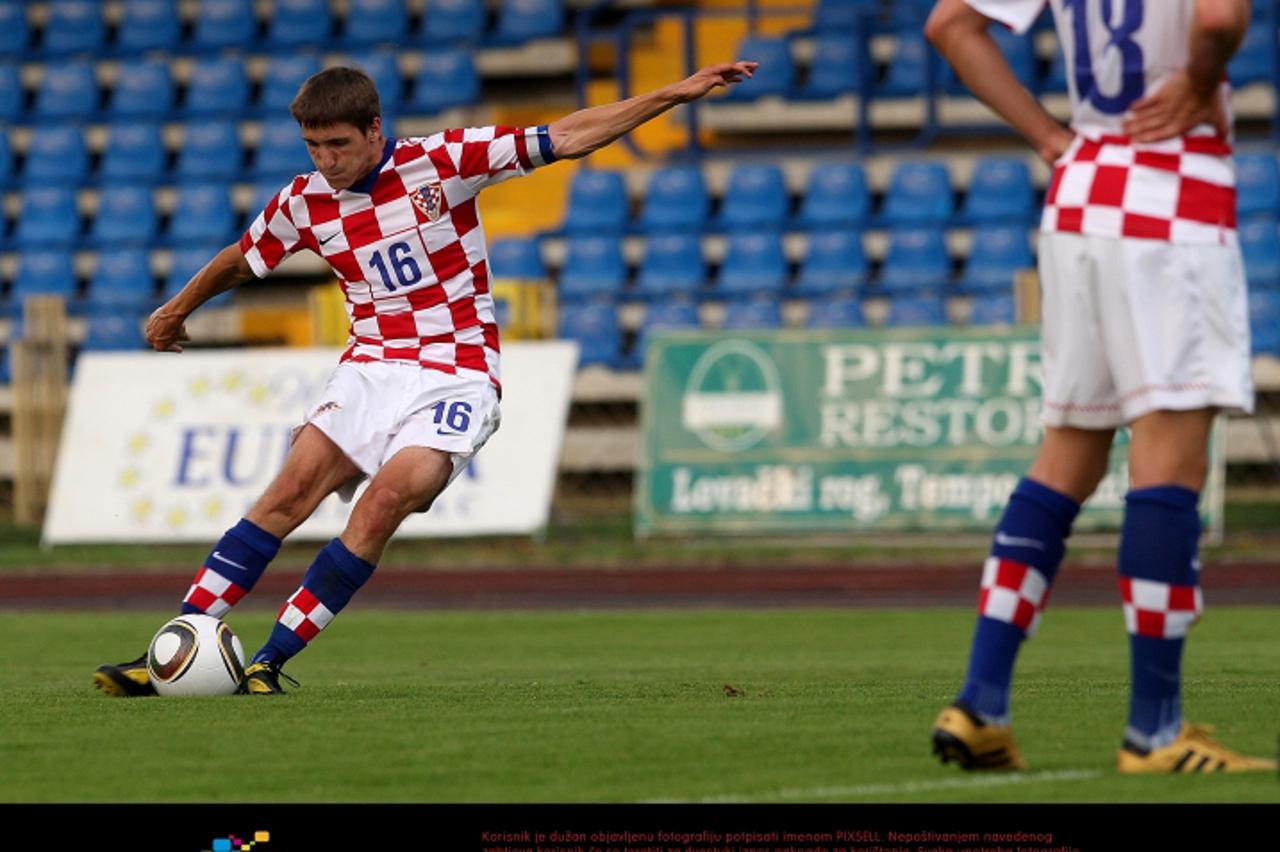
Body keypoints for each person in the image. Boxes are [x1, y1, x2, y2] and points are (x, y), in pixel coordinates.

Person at [93, 60, 756, 696]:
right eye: (313, 146)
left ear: (375, 130)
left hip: (458, 373)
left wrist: (672, 94)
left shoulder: (440, 164)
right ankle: (177, 648)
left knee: (384, 499)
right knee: (289, 489)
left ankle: (269, 659)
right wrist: (176, 310)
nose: (325, 160)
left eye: (337, 144)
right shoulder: (303, 202)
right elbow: (241, 260)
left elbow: (566, 136)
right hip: (371, 367)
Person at [924, 0, 1275, 773]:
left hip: (1082, 190)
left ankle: (982, 701)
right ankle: (1156, 728)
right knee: (1167, 469)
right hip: (1171, 196)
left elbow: (949, 26)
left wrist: (1051, 137)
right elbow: (1217, 18)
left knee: (1065, 459)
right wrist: (1202, 76)